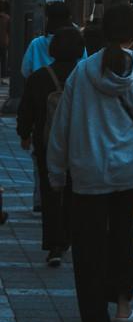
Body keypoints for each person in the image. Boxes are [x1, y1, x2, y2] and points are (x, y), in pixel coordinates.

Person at [46, 2, 133, 322]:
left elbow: (61, 126)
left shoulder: (83, 72)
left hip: (87, 173)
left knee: (88, 247)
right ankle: (123, 307)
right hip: (129, 173)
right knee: (123, 238)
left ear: (104, 32)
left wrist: (56, 172)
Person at [17, 26, 85, 265]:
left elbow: (26, 110)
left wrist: (24, 134)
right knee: (75, 191)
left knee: (50, 192)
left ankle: (54, 244)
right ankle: (71, 237)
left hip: (47, 143)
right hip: (80, 145)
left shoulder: (40, 77)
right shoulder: (85, 74)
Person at [21, 2, 73, 79]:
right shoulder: (76, 43)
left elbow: (25, 71)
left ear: (48, 19)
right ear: (69, 19)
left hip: (40, 88)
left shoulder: (36, 44)